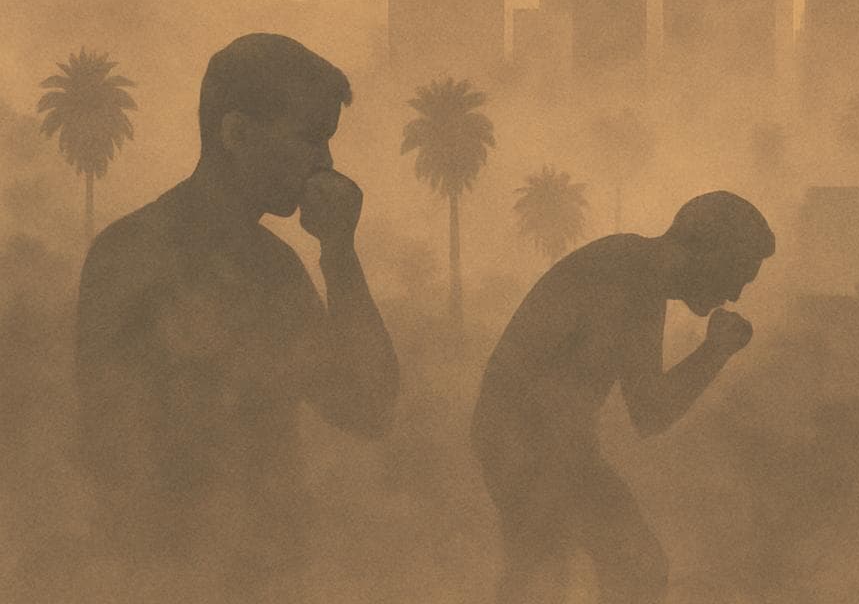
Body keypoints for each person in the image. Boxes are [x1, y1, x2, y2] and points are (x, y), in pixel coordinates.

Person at [74, 33, 400, 601]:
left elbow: (367, 406)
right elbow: (109, 454)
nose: (324, 162)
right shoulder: (132, 256)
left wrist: (340, 255)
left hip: (266, 578)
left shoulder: (276, 270)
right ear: (237, 133)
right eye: (310, 138)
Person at [472, 191, 774, 604]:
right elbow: (651, 411)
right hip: (532, 447)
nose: (736, 293)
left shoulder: (634, 266)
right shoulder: (633, 275)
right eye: (738, 272)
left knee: (615, 567)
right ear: (711, 252)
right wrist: (715, 350)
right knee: (583, 572)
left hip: (549, 447)